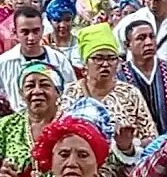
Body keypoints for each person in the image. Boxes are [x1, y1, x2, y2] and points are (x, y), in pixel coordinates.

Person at [61, 22, 156, 157]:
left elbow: (152, 138)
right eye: (98, 58)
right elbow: (57, 133)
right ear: (85, 63)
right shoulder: (71, 92)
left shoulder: (130, 93)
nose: (105, 64)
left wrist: (129, 145)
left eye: (111, 58)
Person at [0, 4, 77, 112]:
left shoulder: (59, 60)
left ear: (42, 30)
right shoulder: (0, 65)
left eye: (35, 31)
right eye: (25, 32)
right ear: (15, 33)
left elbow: (72, 93)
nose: (31, 38)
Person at [117, 18, 167, 132]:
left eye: (152, 37)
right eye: (141, 38)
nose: (148, 42)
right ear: (128, 45)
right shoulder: (120, 78)